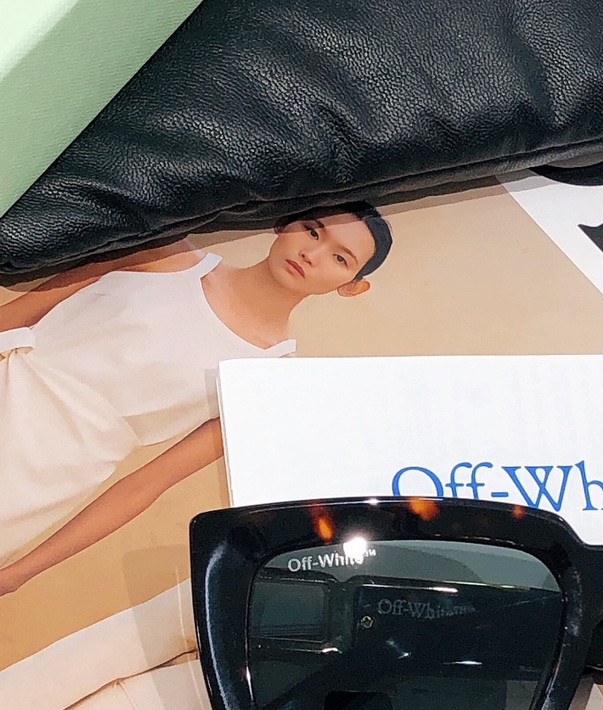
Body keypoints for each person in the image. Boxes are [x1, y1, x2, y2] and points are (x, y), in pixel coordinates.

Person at [0, 205, 392, 593]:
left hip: (40, 479)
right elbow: (17, 314)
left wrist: (19, 573)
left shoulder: (268, 381)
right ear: (284, 223)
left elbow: (146, 485)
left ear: (352, 286)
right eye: (312, 230)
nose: (312, 253)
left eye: (340, 258)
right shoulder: (164, 253)